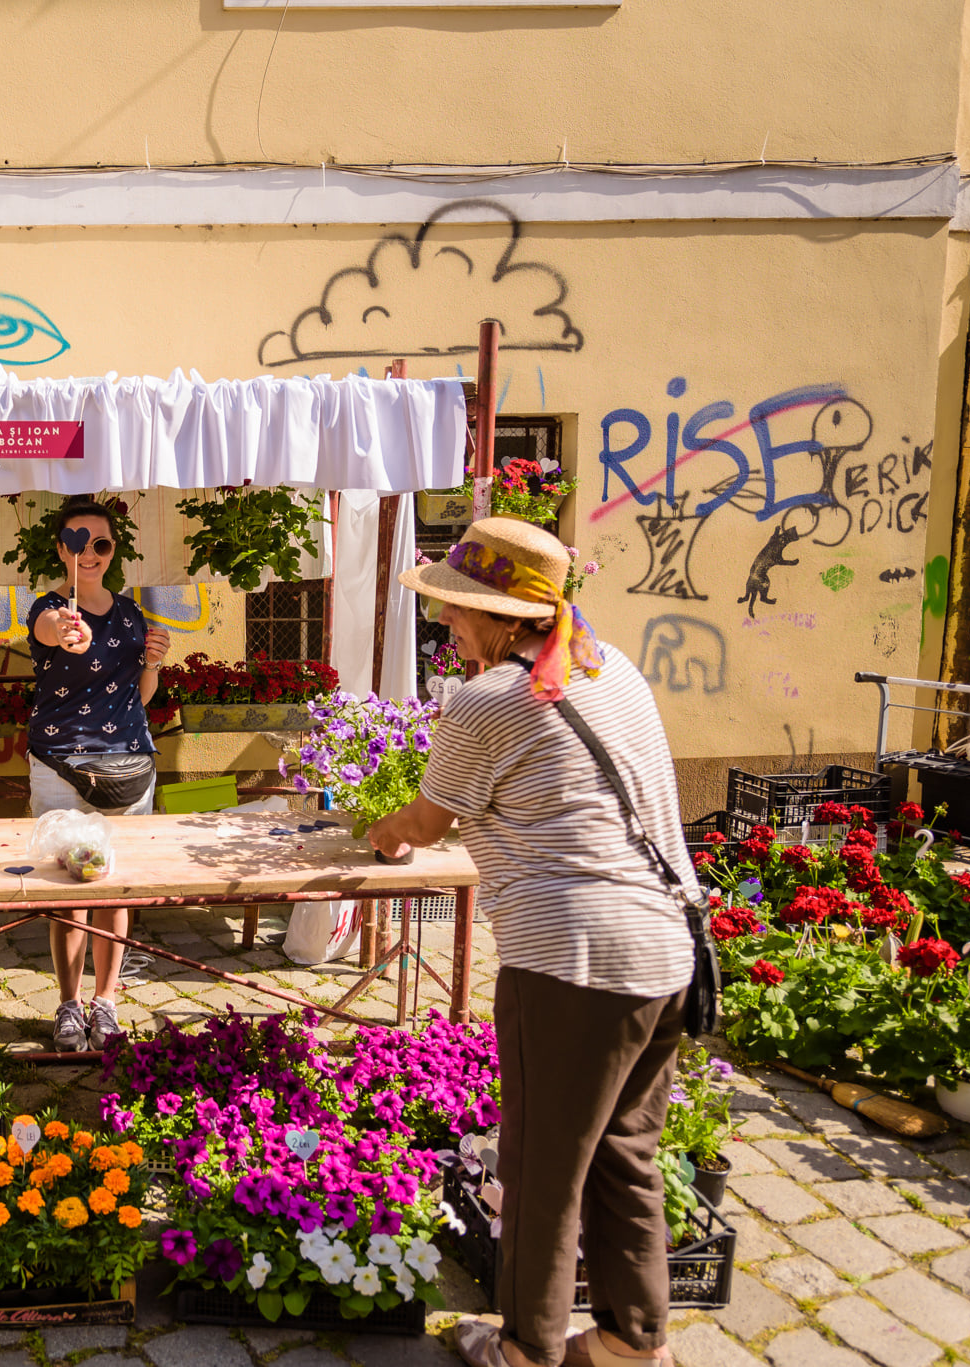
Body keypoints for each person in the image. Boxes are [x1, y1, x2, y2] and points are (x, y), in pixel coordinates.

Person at [369, 518, 695, 1367]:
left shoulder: (485, 701)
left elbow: (425, 823)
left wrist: (381, 831)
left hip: (573, 962)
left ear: (506, 617)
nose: (446, 619)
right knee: (625, 1152)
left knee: (543, 1167)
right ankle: (631, 1343)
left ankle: (526, 1350)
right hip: (667, 951)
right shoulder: (609, 665)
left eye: (457, 605)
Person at [24, 494, 171, 1051]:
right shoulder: (48, 608)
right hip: (60, 765)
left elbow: (142, 695)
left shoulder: (131, 615)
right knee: (69, 890)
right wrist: (68, 631)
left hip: (127, 766)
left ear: (112, 550)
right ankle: (69, 1004)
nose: (89, 553)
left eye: (100, 544)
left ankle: (106, 1003)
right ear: (62, 550)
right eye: (77, 543)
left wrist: (152, 661)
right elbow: (51, 629)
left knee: (114, 888)